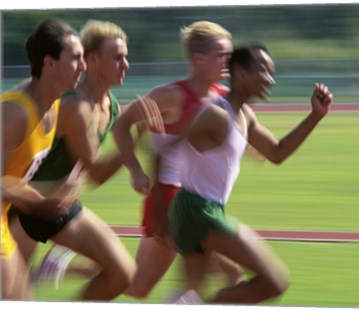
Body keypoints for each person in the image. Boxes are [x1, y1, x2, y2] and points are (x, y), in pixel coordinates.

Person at [167, 43, 333, 304]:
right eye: (263, 71)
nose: (270, 79)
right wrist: (155, 193)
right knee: (275, 281)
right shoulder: (216, 114)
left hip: (200, 209)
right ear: (240, 73)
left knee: (188, 297)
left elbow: (277, 153)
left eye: (271, 72)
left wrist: (315, 116)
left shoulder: (244, 115)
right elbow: (170, 146)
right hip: (198, 209)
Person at [7, 19, 157, 301]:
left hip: (56, 205)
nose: (126, 64)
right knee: (14, 297)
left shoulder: (110, 105)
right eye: (117, 57)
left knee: (123, 272)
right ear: (93, 59)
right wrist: (135, 138)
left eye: (126, 57)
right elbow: (97, 171)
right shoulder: (74, 104)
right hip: (27, 204)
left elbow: (86, 168)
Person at [121, 20, 244, 300]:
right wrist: (135, 169)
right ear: (198, 59)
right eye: (221, 54)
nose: (228, 61)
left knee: (137, 286)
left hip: (200, 199)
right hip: (169, 199)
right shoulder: (171, 95)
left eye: (230, 54)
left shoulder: (223, 97)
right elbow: (122, 124)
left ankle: (76, 266)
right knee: (230, 273)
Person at [1, 18, 86, 300]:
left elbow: (13, 177)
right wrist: (41, 203)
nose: (83, 66)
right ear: (49, 64)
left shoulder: (54, 104)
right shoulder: (15, 113)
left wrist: (49, 197)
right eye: (75, 58)